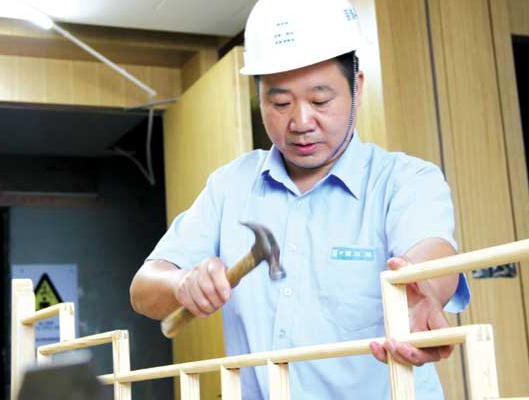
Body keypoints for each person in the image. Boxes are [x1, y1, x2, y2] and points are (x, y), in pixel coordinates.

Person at [130, 0, 470, 398]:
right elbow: (144, 290)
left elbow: (431, 249)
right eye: (280, 103)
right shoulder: (230, 186)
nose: (301, 122)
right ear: (260, 97)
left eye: (320, 101)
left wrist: (423, 290)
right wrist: (182, 283)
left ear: (357, 87)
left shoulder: (405, 179)